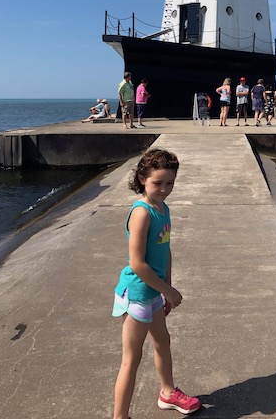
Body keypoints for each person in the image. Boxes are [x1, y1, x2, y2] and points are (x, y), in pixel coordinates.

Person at [112, 148, 201, 418]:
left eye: (170, 183)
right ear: (142, 178)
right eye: (157, 183)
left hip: (154, 292)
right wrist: (169, 290)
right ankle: (120, 416)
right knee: (132, 359)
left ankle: (167, 392)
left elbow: (166, 249)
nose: (164, 189)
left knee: (163, 341)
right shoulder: (142, 213)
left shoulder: (163, 208)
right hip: (138, 293)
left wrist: (167, 287)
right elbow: (137, 263)